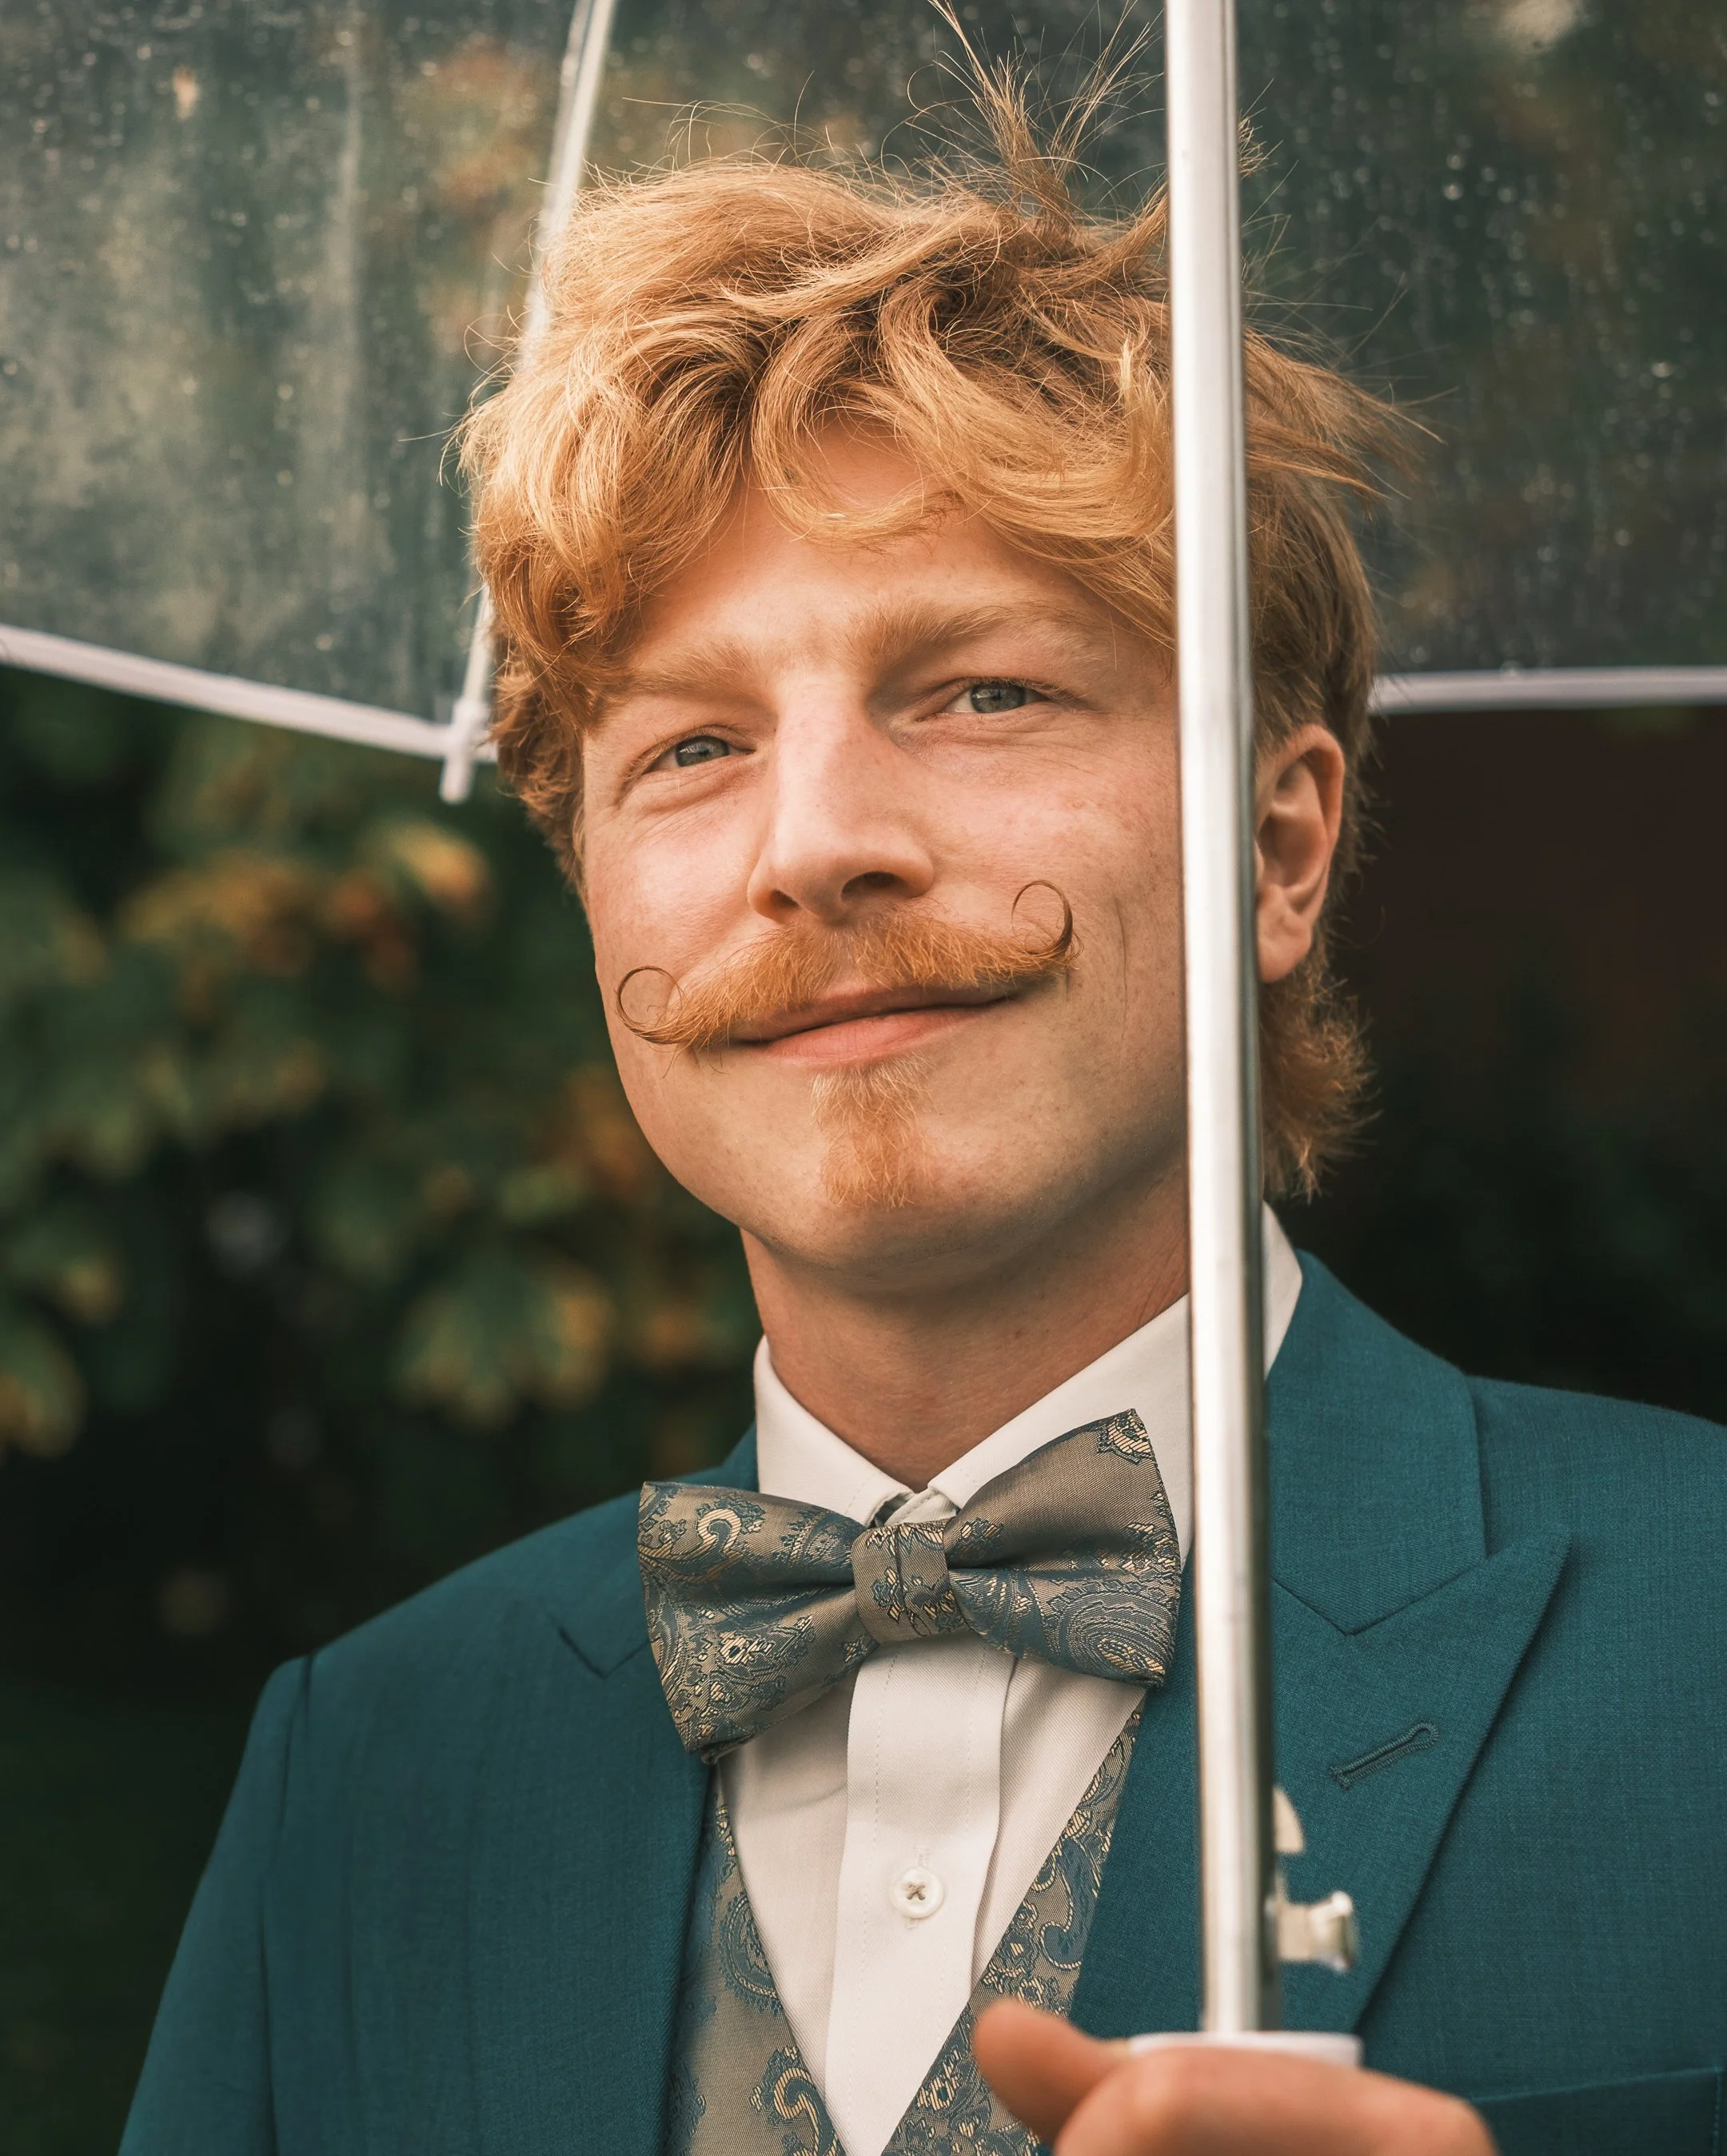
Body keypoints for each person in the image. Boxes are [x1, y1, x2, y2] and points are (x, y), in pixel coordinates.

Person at [122, 83, 1725, 2156]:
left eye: (977, 692)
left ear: (1280, 846)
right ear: (590, 882)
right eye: (691, 747)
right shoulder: (364, 1772)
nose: (818, 848)